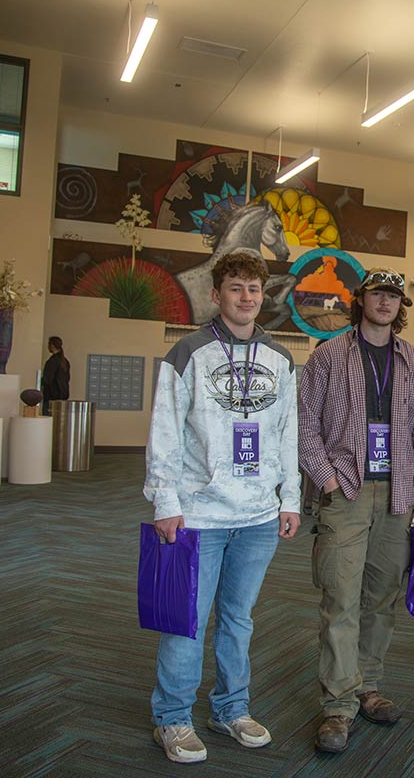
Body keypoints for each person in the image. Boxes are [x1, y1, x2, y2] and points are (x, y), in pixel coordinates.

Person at [143, 251, 301, 764]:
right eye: (236, 288)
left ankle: (231, 708)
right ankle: (172, 716)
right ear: (217, 294)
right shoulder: (187, 353)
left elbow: (287, 436)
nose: (247, 298)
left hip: (256, 517)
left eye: (254, 289)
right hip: (199, 515)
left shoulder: (279, 359)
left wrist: (289, 498)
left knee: (238, 619)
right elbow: (164, 433)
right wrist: (165, 501)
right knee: (186, 618)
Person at [297, 267, 414, 754]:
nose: (386, 301)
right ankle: (338, 705)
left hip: (400, 495)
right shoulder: (329, 355)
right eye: (378, 293)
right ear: (360, 299)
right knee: (341, 598)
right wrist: (327, 477)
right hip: (348, 494)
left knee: (381, 598)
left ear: (402, 306)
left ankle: (368, 686)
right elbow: (303, 424)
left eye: (394, 296)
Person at [40, 336, 70, 414]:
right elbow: (68, 378)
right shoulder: (65, 362)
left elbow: (47, 380)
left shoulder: (52, 361)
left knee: (48, 421)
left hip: (51, 397)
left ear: (52, 346)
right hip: (63, 397)